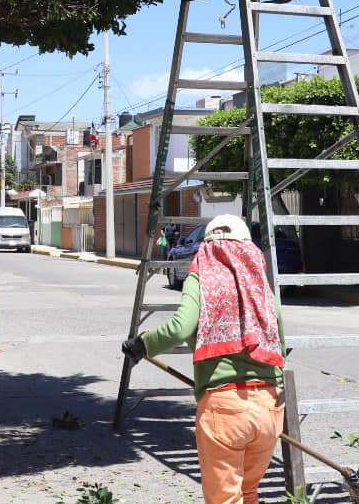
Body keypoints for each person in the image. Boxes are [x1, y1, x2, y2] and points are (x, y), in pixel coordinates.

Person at [122, 215, 286, 504]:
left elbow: (180, 327)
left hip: (224, 409)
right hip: (269, 408)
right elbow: (279, 341)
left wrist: (143, 345)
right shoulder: (258, 279)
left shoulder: (203, 275)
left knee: (224, 499)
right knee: (248, 493)